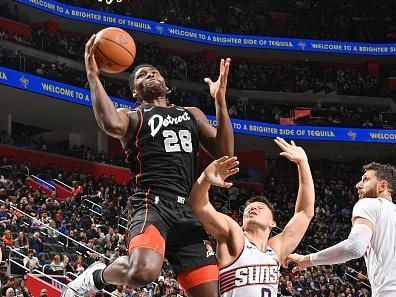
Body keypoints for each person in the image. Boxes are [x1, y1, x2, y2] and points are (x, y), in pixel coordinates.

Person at [62, 33, 234, 297]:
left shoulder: (192, 114)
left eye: (154, 72)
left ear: (166, 84)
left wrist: (220, 102)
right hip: (153, 203)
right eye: (141, 76)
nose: (150, 75)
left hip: (189, 211)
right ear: (134, 91)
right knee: (143, 273)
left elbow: (224, 153)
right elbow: (110, 124)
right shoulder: (132, 117)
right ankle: (96, 276)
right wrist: (94, 77)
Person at [188, 138, 315, 296]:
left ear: (272, 223)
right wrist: (205, 179)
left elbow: (304, 212)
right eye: (249, 209)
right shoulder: (234, 236)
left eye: (260, 208)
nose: (253, 208)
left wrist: (303, 164)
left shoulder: (275, 250)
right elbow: (199, 205)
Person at [287, 162, 396, 297]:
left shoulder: (369, 203)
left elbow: (354, 247)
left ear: (382, 186)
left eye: (365, 179)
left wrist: (308, 259)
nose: (358, 185)